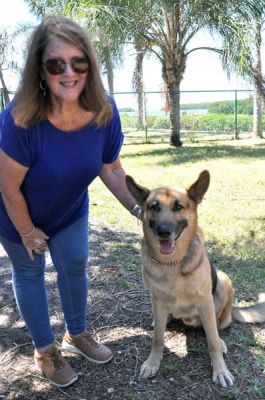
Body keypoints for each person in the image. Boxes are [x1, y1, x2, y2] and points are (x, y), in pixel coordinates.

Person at [0, 16, 141, 388]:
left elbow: (110, 168)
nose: (68, 72)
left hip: (69, 208)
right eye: (55, 63)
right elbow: (8, 188)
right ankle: (45, 350)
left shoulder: (104, 110)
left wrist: (141, 210)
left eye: (78, 62)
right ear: (39, 70)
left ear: (90, 66)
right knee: (30, 272)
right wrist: (29, 232)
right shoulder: (18, 121)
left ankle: (76, 334)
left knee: (75, 265)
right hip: (16, 213)